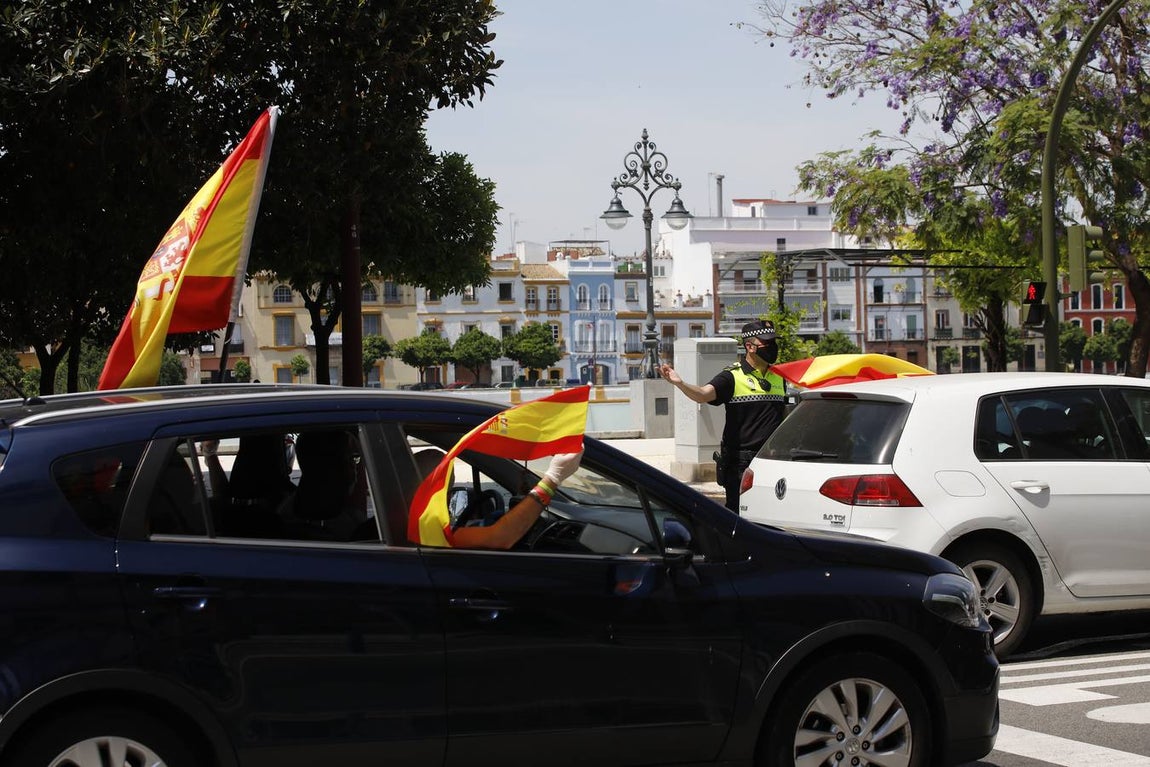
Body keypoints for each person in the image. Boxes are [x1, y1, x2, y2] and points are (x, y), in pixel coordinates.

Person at [659, 320, 786, 513]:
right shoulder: (732, 377)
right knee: (739, 518)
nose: (773, 348)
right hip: (741, 465)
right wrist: (680, 383)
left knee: (771, 517)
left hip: (772, 462)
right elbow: (702, 394)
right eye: (767, 343)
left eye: (774, 343)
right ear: (750, 347)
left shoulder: (779, 377)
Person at [412, 447, 584, 550]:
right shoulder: (425, 531)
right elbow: (500, 537)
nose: (448, 499)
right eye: (445, 492)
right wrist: (553, 478)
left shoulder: (402, 520)